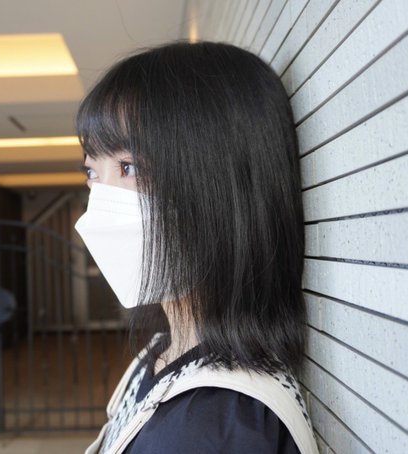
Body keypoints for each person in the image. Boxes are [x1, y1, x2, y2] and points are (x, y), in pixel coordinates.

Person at [74, 41, 317, 454]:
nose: (101, 202)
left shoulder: (216, 423)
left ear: (220, 185)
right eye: (92, 173)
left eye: (128, 168)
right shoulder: (164, 352)